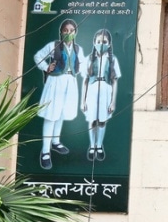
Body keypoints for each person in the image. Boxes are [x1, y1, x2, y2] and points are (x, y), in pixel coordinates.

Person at [33, 19, 85, 169]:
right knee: (51, 115)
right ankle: (45, 151)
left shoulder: (78, 48)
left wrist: (76, 69)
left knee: (61, 113)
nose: (68, 33)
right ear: (61, 32)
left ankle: (55, 142)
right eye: (66, 30)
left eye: (71, 30)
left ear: (75, 32)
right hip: (55, 82)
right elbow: (38, 56)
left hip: (70, 82)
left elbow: (80, 63)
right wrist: (46, 67)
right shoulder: (53, 45)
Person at [81, 28, 121, 161]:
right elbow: (85, 81)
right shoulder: (89, 59)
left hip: (105, 90)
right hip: (92, 91)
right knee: (93, 120)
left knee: (102, 121)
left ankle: (99, 145)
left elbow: (114, 81)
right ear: (94, 42)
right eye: (98, 41)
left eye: (104, 41)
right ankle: (92, 146)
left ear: (109, 44)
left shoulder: (112, 59)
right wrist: (83, 100)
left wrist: (112, 102)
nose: (101, 43)